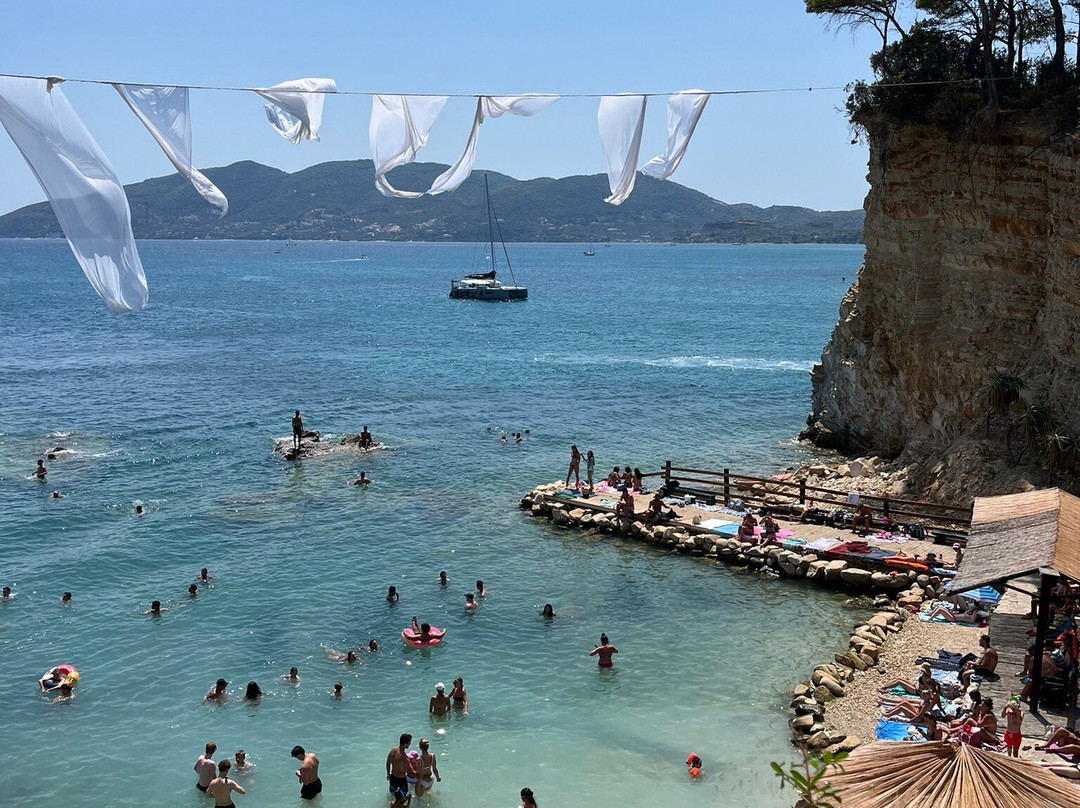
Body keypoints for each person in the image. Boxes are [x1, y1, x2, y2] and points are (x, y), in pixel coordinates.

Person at [386, 734, 413, 808]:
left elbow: (388, 763)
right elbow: (412, 772)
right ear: (406, 743)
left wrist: (388, 774)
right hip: (401, 780)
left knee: (392, 794)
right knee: (403, 797)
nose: (410, 744)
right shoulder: (405, 758)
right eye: (409, 743)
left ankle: (393, 805)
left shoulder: (393, 750)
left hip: (393, 778)